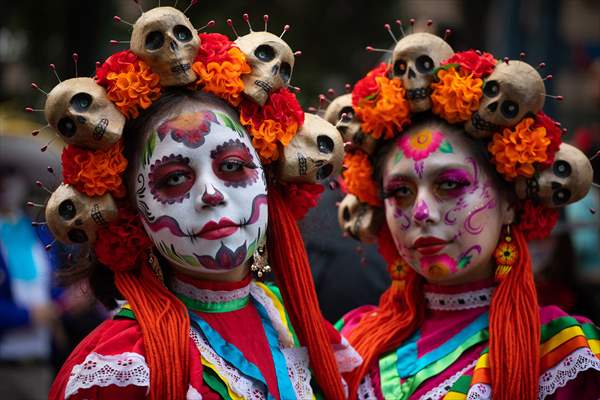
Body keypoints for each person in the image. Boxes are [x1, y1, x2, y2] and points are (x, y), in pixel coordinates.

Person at [42, 5, 359, 399]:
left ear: (269, 178)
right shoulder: (122, 367)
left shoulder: (296, 325)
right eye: (174, 178)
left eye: (231, 166)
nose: (210, 193)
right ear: (130, 211)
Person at [332, 31, 600, 399]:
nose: (422, 211)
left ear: (509, 202)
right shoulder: (350, 339)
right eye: (400, 192)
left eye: (450, 185)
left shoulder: (558, 352)